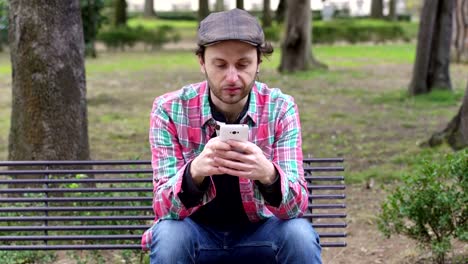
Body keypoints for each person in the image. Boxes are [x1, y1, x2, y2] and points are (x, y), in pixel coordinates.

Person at [141, 8, 322, 264]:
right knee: (170, 234)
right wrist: (194, 174)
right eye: (220, 65)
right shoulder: (170, 110)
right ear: (202, 62)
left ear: (259, 62)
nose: (232, 77)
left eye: (243, 64)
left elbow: (296, 208)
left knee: (299, 234)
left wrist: (268, 175)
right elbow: (163, 208)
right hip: (193, 235)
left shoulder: (281, 108)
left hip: (261, 234)